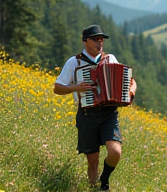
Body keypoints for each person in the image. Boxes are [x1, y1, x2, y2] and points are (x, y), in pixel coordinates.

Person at [54, 24, 137, 191]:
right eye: (95, 40)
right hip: (87, 114)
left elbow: (131, 82)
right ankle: (94, 188)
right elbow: (57, 88)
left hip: (109, 113)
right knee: (93, 162)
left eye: (101, 40)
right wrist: (75, 88)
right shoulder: (74, 62)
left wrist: (130, 94)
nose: (100, 44)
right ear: (85, 41)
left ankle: (104, 179)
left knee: (115, 152)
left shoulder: (110, 59)